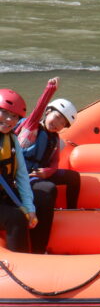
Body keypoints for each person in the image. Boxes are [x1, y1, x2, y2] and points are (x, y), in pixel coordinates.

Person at [20, 97, 81, 254]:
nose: (58, 124)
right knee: (48, 190)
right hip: (23, 175)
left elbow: (55, 162)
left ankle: (72, 212)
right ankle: (38, 248)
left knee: (74, 177)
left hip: (41, 172)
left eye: (62, 123)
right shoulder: (30, 128)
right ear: (47, 112)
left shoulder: (54, 138)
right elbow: (36, 111)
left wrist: (48, 172)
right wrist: (50, 89)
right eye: (57, 117)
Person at [0, 89, 38, 252]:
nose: (9, 120)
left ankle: (39, 250)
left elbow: (22, 175)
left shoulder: (12, 140)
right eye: (4, 113)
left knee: (41, 198)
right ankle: (21, 270)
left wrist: (30, 209)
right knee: (16, 218)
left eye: (14, 116)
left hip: (3, 194)